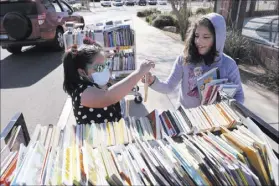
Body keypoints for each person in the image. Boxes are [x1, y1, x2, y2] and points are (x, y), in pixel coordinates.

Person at [142, 13, 244, 109]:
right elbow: (168, 87)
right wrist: (153, 81)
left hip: (215, 121)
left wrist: (229, 110)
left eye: (206, 37)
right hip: (186, 116)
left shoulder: (228, 65)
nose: (198, 41)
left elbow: (239, 95)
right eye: (196, 35)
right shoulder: (184, 59)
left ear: (218, 39)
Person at [62, 44, 154, 124]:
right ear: (82, 72)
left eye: (106, 64)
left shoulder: (99, 82)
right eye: (99, 67)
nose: (105, 69)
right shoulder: (81, 92)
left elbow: (118, 88)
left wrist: (140, 78)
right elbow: (109, 97)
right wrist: (139, 72)